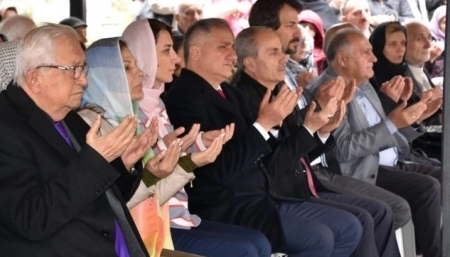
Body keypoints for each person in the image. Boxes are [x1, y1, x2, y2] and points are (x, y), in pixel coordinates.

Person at [165, 18, 362, 256]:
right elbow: (217, 172)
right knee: (320, 237)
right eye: (223, 47)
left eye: (232, 47)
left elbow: (272, 158)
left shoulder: (229, 92)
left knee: (349, 227)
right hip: (228, 206)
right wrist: (264, 124)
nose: (232, 55)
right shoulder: (183, 97)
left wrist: (316, 129)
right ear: (195, 52)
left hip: (262, 198)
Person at [0, 24, 149, 256]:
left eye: (83, 68)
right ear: (34, 79)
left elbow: (94, 192)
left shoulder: (66, 116)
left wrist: (123, 163)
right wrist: (95, 162)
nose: (83, 81)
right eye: (73, 69)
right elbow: (31, 220)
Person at [121, 20, 271, 257]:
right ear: (144, 54)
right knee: (250, 248)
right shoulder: (132, 110)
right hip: (155, 222)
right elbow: (139, 177)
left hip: (181, 212)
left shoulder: (157, 103)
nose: (176, 59)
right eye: (166, 50)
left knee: (259, 243)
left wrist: (198, 144)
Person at [306, 28, 442, 257]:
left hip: (389, 160)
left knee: (441, 178)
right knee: (424, 189)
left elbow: (390, 135)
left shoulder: (365, 83)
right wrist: (392, 124)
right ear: (343, 59)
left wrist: (414, 120)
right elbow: (343, 150)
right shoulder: (327, 91)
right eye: (366, 52)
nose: (375, 58)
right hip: (357, 170)